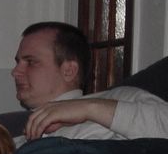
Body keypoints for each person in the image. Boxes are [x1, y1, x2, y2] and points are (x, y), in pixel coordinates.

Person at [11, 21, 168, 145]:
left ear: (69, 70)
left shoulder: (121, 97)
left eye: (31, 62)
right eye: (18, 62)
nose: (15, 72)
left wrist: (88, 108)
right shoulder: (16, 142)